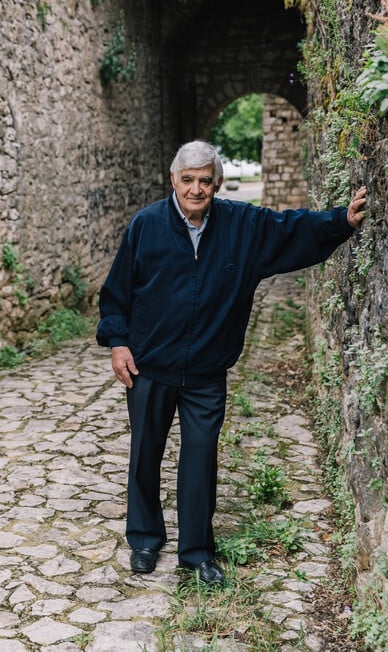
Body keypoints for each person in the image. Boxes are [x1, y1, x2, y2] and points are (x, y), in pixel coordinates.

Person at [96, 140, 366, 586]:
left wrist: (342, 221)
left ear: (217, 183)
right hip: (149, 367)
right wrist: (118, 343)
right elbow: (116, 293)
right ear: (174, 181)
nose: (197, 189)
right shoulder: (145, 226)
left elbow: (290, 229)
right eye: (189, 180)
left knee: (200, 459)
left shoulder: (244, 226)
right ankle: (144, 538)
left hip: (206, 372)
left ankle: (197, 551)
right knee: (146, 453)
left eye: (205, 180)